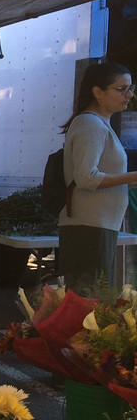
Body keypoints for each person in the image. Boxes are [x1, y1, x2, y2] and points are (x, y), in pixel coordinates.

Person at [57, 61, 137, 294]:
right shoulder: (90, 124)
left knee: (96, 299)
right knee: (90, 300)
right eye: (121, 89)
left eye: (131, 89)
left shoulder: (98, 124)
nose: (129, 95)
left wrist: (130, 180)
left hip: (96, 226)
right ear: (98, 92)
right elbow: (86, 178)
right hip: (89, 227)